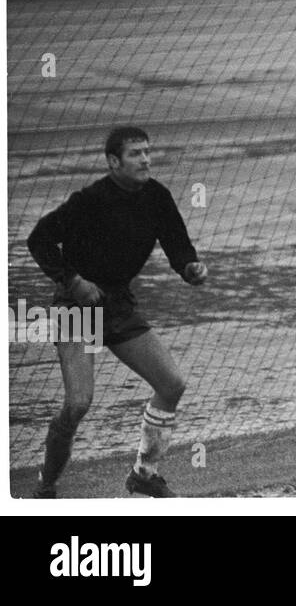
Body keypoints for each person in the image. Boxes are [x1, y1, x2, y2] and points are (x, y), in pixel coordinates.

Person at [27, 126, 208, 498]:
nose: (145, 159)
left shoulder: (157, 196)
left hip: (118, 305)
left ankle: (144, 472)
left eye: (147, 151)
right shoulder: (89, 200)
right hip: (76, 307)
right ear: (113, 162)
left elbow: (178, 243)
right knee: (78, 403)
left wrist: (190, 267)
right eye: (135, 153)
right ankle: (46, 486)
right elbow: (39, 239)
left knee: (172, 383)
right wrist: (73, 280)